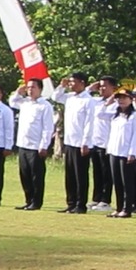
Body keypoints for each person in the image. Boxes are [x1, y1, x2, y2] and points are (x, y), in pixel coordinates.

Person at [48, 73, 97, 213]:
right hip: (69, 141)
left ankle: (80, 204)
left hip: (81, 143)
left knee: (80, 175)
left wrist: (85, 142)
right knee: (69, 175)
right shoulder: (70, 97)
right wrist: (61, 86)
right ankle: (71, 203)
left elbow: (89, 123)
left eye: (73, 82)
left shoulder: (88, 100)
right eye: (69, 82)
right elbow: (55, 97)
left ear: (82, 82)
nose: (70, 84)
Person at [8, 79, 55, 211]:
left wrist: (44, 145)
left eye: (33, 87)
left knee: (36, 176)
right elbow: (12, 102)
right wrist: (18, 92)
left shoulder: (45, 106)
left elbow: (47, 128)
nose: (30, 90)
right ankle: (28, 200)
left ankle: (36, 202)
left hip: (36, 146)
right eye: (28, 87)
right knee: (25, 174)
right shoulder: (25, 103)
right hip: (23, 144)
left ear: (40, 89)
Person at [103, 88, 136, 219]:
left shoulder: (134, 116)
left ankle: (127, 209)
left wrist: (132, 152)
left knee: (127, 182)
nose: (121, 100)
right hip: (114, 151)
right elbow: (99, 114)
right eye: (119, 98)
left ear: (131, 99)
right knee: (117, 182)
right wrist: (110, 101)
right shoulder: (114, 115)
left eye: (124, 98)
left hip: (126, 153)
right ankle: (119, 207)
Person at [88, 75, 117, 211]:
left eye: (105, 86)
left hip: (107, 143)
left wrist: (108, 103)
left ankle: (105, 200)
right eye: (100, 86)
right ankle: (96, 198)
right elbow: (84, 97)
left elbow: (102, 115)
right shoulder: (96, 101)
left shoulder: (116, 104)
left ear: (113, 88)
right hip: (95, 141)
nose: (101, 88)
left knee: (106, 174)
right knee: (97, 173)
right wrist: (90, 88)